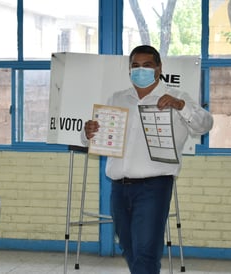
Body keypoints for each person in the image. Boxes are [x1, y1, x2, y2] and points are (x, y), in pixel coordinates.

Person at [82, 45, 213, 274]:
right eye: (135, 66)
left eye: (147, 65)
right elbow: (92, 139)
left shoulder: (177, 97)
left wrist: (180, 106)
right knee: (129, 247)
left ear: (159, 68)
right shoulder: (117, 98)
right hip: (119, 187)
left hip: (154, 187)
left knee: (146, 251)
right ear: (129, 69)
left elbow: (205, 124)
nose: (140, 70)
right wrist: (88, 132)